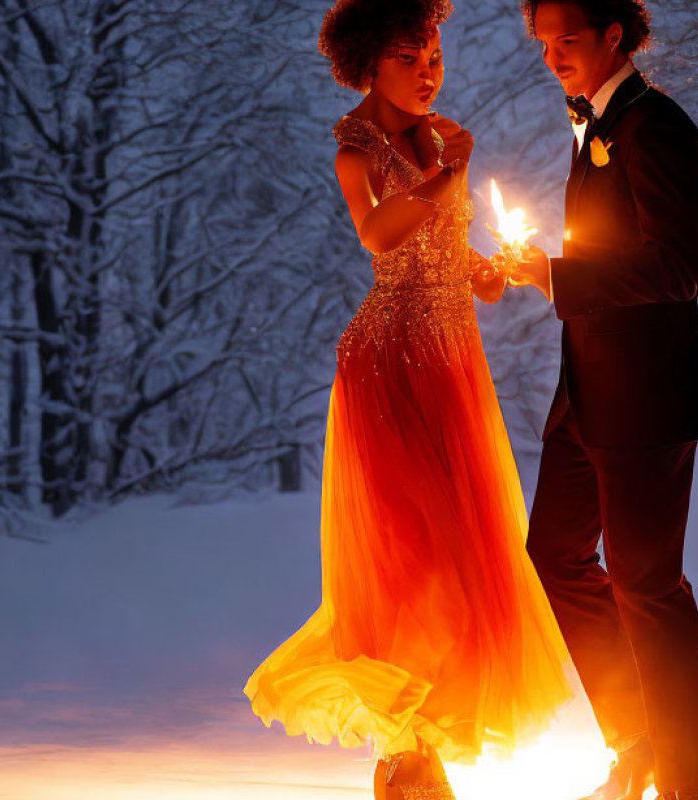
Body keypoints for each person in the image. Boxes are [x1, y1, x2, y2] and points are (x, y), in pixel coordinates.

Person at [243, 1, 573, 798]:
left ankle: (414, 756)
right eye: (409, 57)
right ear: (368, 63)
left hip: (451, 361)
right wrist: (449, 175)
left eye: (434, 56)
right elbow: (379, 236)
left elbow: (435, 244)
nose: (429, 71)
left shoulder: (434, 137)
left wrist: (484, 272)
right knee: (414, 564)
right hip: (391, 365)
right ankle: (406, 757)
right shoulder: (357, 148)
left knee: (466, 562)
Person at [509, 1, 698, 799]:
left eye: (565, 40)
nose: (552, 57)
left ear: (614, 34)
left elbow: (678, 272)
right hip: (585, 394)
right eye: (543, 43)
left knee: (650, 586)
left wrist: (557, 276)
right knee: (556, 557)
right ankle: (640, 740)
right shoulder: (595, 124)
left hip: (646, 400)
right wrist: (540, 271)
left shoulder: (659, 127)